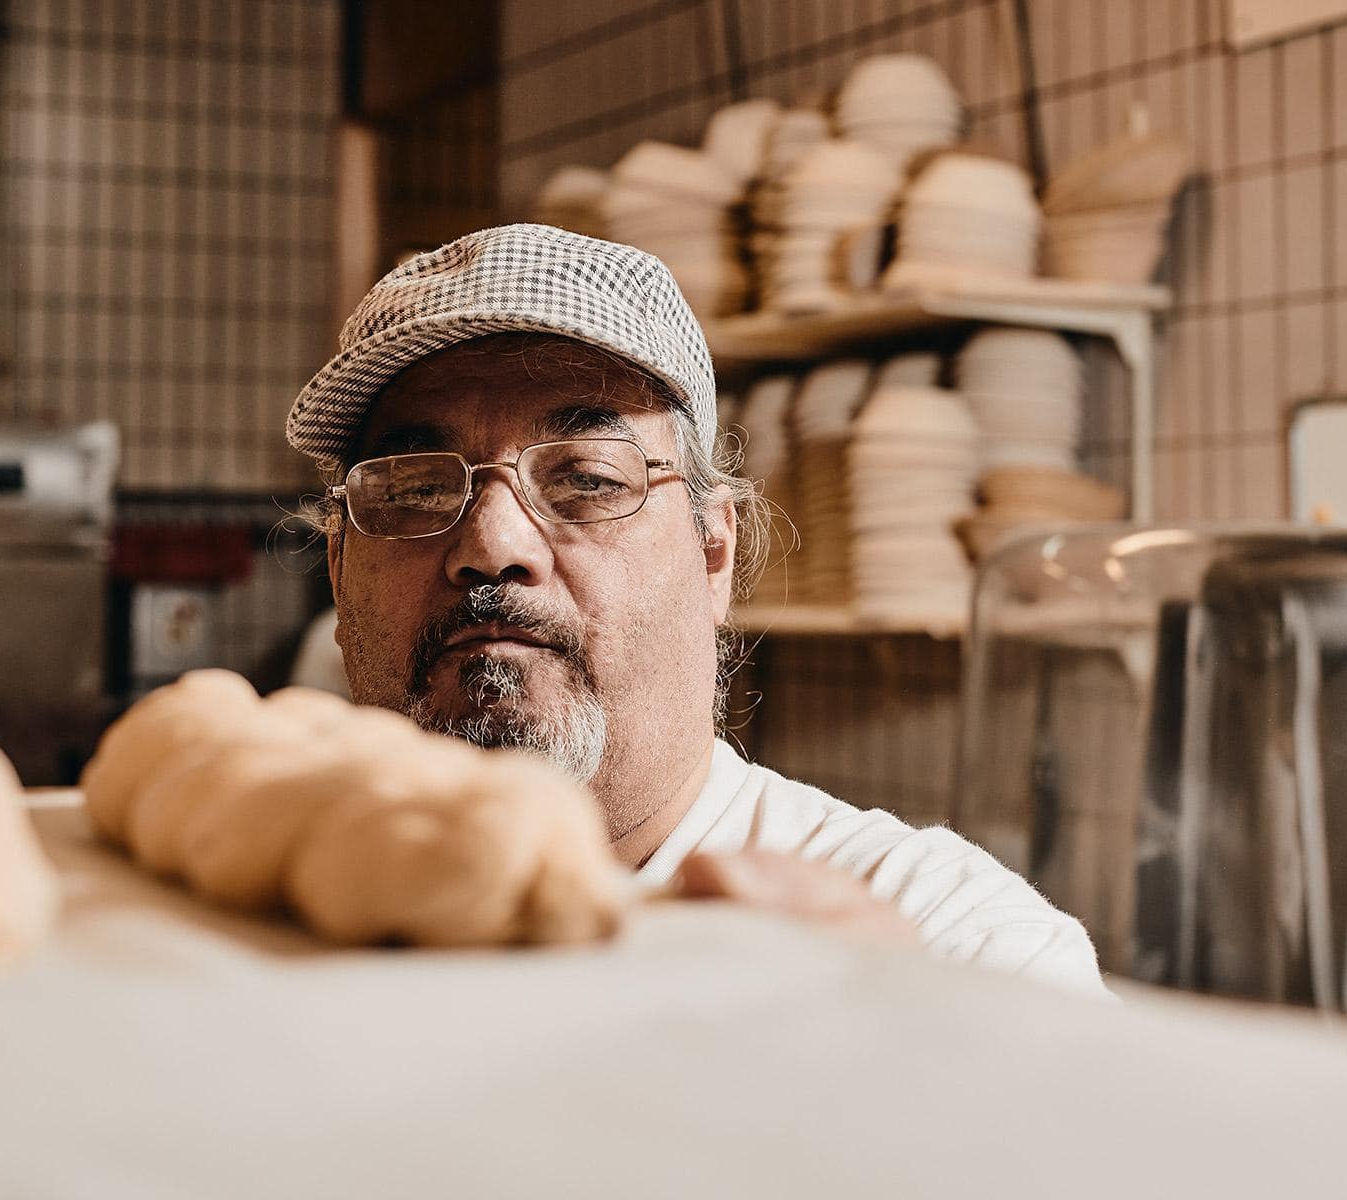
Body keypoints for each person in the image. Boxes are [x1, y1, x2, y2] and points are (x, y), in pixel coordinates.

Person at [287, 223, 1105, 996]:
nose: (493, 544)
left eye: (588, 479)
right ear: (337, 566)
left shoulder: (947, 942)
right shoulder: (260, 913)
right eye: (415, 490)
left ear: (714, 557)